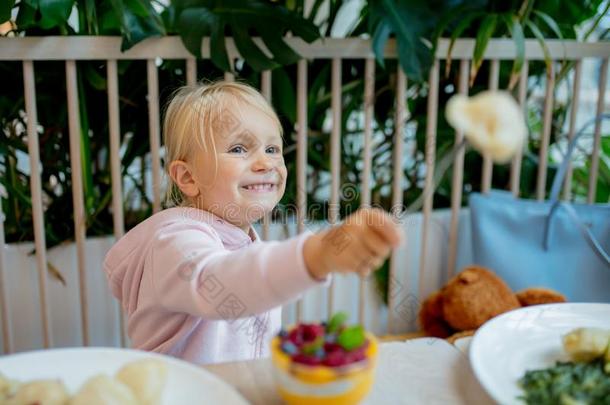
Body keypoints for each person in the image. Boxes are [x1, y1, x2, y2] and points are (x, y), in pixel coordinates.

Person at [103, 81, 402, 365]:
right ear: (188, 178)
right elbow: (223, 285)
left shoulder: (238, 239)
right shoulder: (174, 243)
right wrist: (316, 255)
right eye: (238, 149)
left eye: (272, 149)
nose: (265, 163)